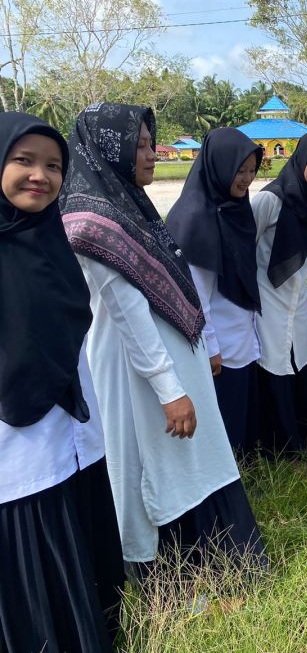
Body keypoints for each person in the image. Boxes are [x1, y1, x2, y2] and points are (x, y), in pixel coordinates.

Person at [61, 103, 266, 574]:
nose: (153, 155)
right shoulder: (93, 224)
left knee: (186, 463)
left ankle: (207, 563)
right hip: (135, 372)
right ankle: (159, 572)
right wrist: (171, 391)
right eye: (140, 146)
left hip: (166, 365)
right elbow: (130, 314)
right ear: (108, 152)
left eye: (152, 144)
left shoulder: (124, 204)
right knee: (148, 468)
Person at [1, 112, 124, 652]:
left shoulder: (49, 238)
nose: (40, 177)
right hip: (13, 439)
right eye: (23, 160)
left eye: (54, 166)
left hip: (71, 425)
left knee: (74, 526)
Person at [166, 127, 264, 453]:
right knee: (222, 406)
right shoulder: (196, 217)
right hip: (216, 336)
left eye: (252, 170)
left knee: (241, 400)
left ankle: (243, 456)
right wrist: (210, 348)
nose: (247, 178)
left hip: (240, 327)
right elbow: (196, 294)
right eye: (240, 170)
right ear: (219, 166)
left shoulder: (234, 207)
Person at [252, 130, 307, 455]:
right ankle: (276, 445)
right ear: (301, 159)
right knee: (273, 364)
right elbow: (243, 246)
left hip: (297, 300)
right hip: (266, 301)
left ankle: (304, 437)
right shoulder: (269, 200)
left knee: (300, 360)